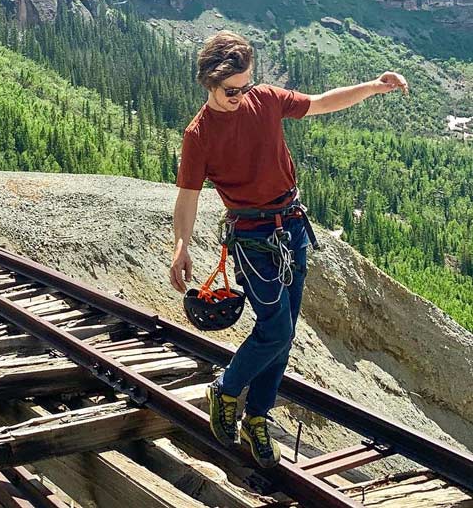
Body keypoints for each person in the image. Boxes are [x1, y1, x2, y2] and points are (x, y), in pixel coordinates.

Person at [170, 30, 408, 468]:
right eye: (231, 90)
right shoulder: (198, 135)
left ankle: (256, 417)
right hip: (252, 239)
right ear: (209, 82)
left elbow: (321, 102)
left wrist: (375, 86)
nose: (241, 96)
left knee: (285, 332)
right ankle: (225, 389)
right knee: (276, 329)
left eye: (246, 86)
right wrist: (181, 247)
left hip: (292, 227)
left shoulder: (264, 99)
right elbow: (187, 198)